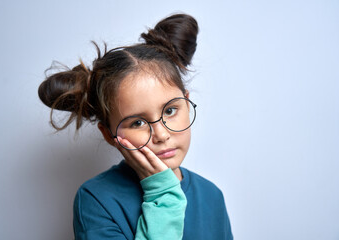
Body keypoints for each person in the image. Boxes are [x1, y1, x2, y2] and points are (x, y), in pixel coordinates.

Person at [38, 13, 233, 240]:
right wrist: (163, 194)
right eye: (138, 123)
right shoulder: (96, 199)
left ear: (187, 104)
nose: (161, 134)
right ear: (109, 134)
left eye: (170, 110)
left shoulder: (211, 196)